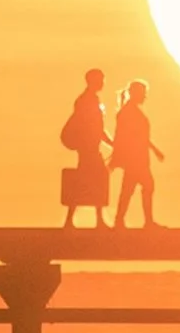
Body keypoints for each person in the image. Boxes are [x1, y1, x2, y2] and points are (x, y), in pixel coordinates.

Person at [109, 79, 164, 230]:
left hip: (138, 157)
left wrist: (154, 149)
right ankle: (146, 222)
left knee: (129, 188)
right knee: (147, 186)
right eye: (143, 93)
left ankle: (120, 221)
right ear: (135, 94)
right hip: (135, 158)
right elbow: (125, 136)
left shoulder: (130, 111)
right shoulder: (128, 112)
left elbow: (141, 136)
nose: (145, 96)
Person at [58, 68, 109, 229]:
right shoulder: (87, 100)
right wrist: (112, 144)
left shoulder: (90, 99)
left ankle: (73, 220)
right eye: (100, 80)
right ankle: (96, 220)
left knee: (86, 180)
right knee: (95, 178)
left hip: (90, 148)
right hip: (88, 149)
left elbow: (98, 129)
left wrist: (110, 143)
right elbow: (92, 127)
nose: (102, 83)